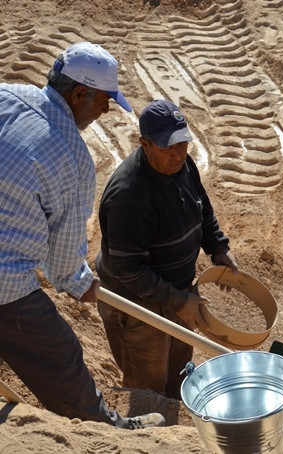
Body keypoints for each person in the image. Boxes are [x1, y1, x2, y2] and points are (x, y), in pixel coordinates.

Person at [0, 42, 164, 429]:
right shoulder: (73, 158)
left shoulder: (6, 94)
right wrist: (81, 284)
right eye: (104, 101)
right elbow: (61, 265)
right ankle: (108, 429)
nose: (106, 110)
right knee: (60, 355)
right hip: (3, 282)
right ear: (78, 95)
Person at [96, 99, 239, 400]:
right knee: (148, 388)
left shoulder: (183, 164)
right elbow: (127, 270)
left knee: (179, 375)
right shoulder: (129, 197)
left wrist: (217, 247)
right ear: (144, 144)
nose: (177, 154)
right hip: (138, 306)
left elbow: (202, 207)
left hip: (177, 294)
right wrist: (178, 301)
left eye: (183, 143)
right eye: (167, 148)